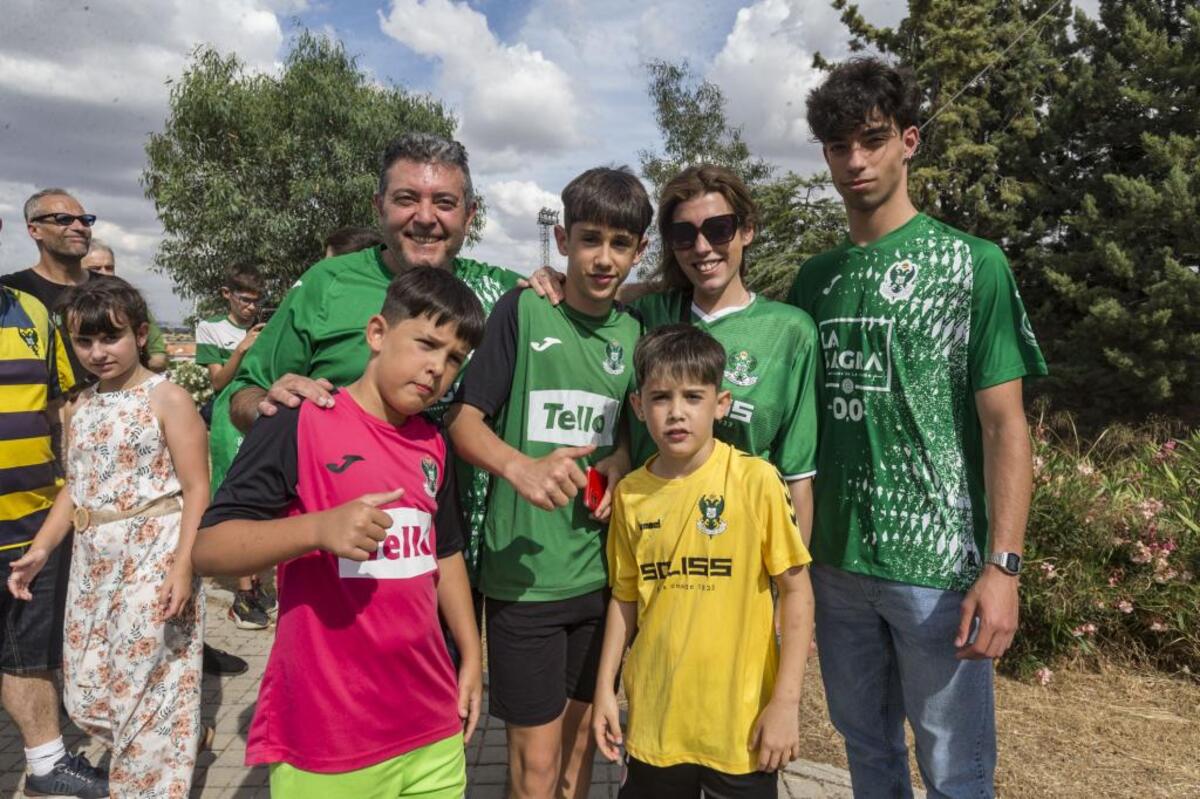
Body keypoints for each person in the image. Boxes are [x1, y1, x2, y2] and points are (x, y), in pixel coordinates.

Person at [787, 57, 1046, 797]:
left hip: (938, 571)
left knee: (955, 776)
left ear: (909, 140)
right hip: (836, 565)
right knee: (867, 757)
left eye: (871, 139)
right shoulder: (816, 279)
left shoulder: (973, 265)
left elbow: (1005, 427)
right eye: (839, 146)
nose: (856, 160)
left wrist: (1004, 568)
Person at [192, 268, 485, 798]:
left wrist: (471, 656)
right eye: (426, 343)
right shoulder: (297, 421)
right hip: (329, 739)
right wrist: (317, 529)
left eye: (454, 358)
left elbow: (445, 554)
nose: (436, 368)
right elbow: (210, 549)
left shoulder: (434, 442)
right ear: (377, 333)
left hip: (431, 725)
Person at [219, 133, 522, 587]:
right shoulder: (327, 284)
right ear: (379, 205)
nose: (425, 218)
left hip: (457, 561)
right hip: (346, 571)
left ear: (469, 215)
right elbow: (242, 393)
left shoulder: (499, 294)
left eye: (444, 202)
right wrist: (270, 405)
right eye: (406, 199)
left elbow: (590, 298)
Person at [446, 166, 651, 799]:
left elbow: (628, 430)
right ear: (562, 240)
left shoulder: (636, 335)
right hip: (524, 583)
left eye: (621, 244)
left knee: (576, 762)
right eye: (590, 239)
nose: (603, 258)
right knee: (533, 773)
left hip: (599, 580)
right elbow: (462, 420)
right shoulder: (525, 307)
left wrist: (618, 456)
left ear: (639, 251)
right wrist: (519, 466)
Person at [526, 164, 821, 535]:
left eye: (718, 230)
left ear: (747, 231)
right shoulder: (645, 315)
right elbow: (614, 402)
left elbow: (797, 476)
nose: (702, 247)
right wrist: (554, 278)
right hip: (650, 542)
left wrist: (793, 585)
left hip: (744, 550)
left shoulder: (791, 331)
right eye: (684, 235)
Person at [594, 325, 815, 798]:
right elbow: (624, 599)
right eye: (660, 398)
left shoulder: (756, 480)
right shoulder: (631, 494)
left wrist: (786, 704)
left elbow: (797, 593)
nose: (677, 412)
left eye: (693, 396)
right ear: (638, 406)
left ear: (721, 403)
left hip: (742, 732)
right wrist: (605, 690)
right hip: (656, 727)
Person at [8, 277, 206, 797]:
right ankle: (169, 743)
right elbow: (76, 487)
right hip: (93, 566)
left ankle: (149, 784)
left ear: (140, 334)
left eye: (110, 338)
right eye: (84, 342)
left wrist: (183, 564)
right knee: (90, 689)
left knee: (149, 687)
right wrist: (41, 550)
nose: (98, 353)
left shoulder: (167, 398)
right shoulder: (82, 406)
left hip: (154, 554)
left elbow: (197, 487)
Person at [0, 278, 108, 798]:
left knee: (29, 653)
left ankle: (47, 766)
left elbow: (59, 406)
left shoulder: (31, 312)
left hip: (32, 520)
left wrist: (71, 485)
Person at [1, 189, 98, 386]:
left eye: (85, 220)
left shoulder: (114, 290)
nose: (79, 227)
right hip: (37, 412)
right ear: (34, 230)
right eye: (64, 219)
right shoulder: (11, 295)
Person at [81, 239, 170, 372]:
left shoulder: (131, 305)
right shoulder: (71, 306)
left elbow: (159, 357)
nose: (104, 273)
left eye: (109, 268)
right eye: (95, 269)